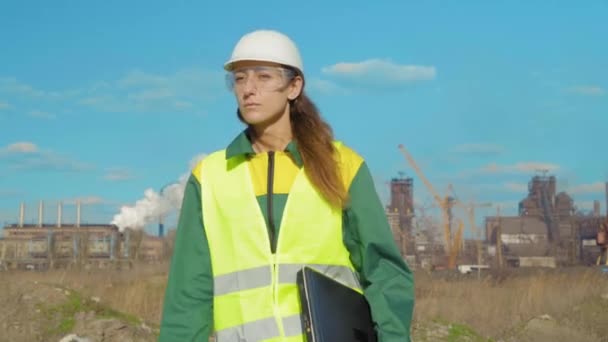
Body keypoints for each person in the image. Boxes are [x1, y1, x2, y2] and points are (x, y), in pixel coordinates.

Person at [159, 29, 415, 342]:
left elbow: (385, 273)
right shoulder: (209, 177)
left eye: (263, 77)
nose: (248, 89)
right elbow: (188, 294)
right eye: (239, 79)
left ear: (294, 87)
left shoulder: (343, 167)